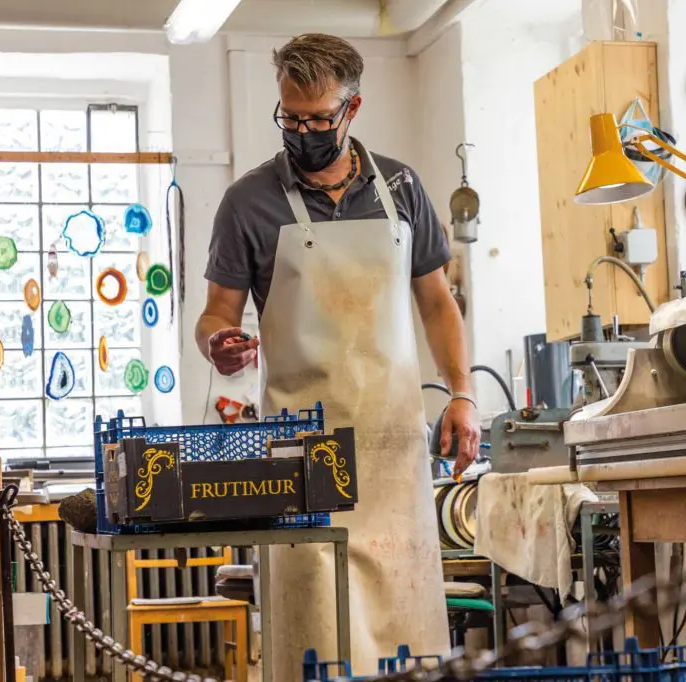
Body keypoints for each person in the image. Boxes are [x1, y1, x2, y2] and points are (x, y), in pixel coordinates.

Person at [195, 33, 481, 676]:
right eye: (290, 117)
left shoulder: (401, 188)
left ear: (352, 109)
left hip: (389, 451)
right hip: (300, 457)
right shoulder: (248, 202)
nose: (302, 132)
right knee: (313, 636)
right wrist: (219, 341)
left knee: (405, 637)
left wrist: (461, 392)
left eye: (318, 119)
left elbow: (437, 302)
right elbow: (217, 312)